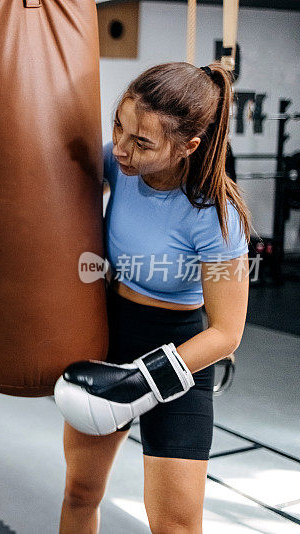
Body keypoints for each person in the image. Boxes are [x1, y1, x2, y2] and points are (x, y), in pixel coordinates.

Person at [54, 62, 252, 533]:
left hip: (178, 355)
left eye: (142, 143)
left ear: (188, 147)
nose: (121, 148)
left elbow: (226, 333)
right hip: (110, 335)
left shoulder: (218, 218)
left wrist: (140, 383)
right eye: (118, 127)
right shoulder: (119, 165)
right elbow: (47, 186)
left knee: (175, 524)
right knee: (80, 492)